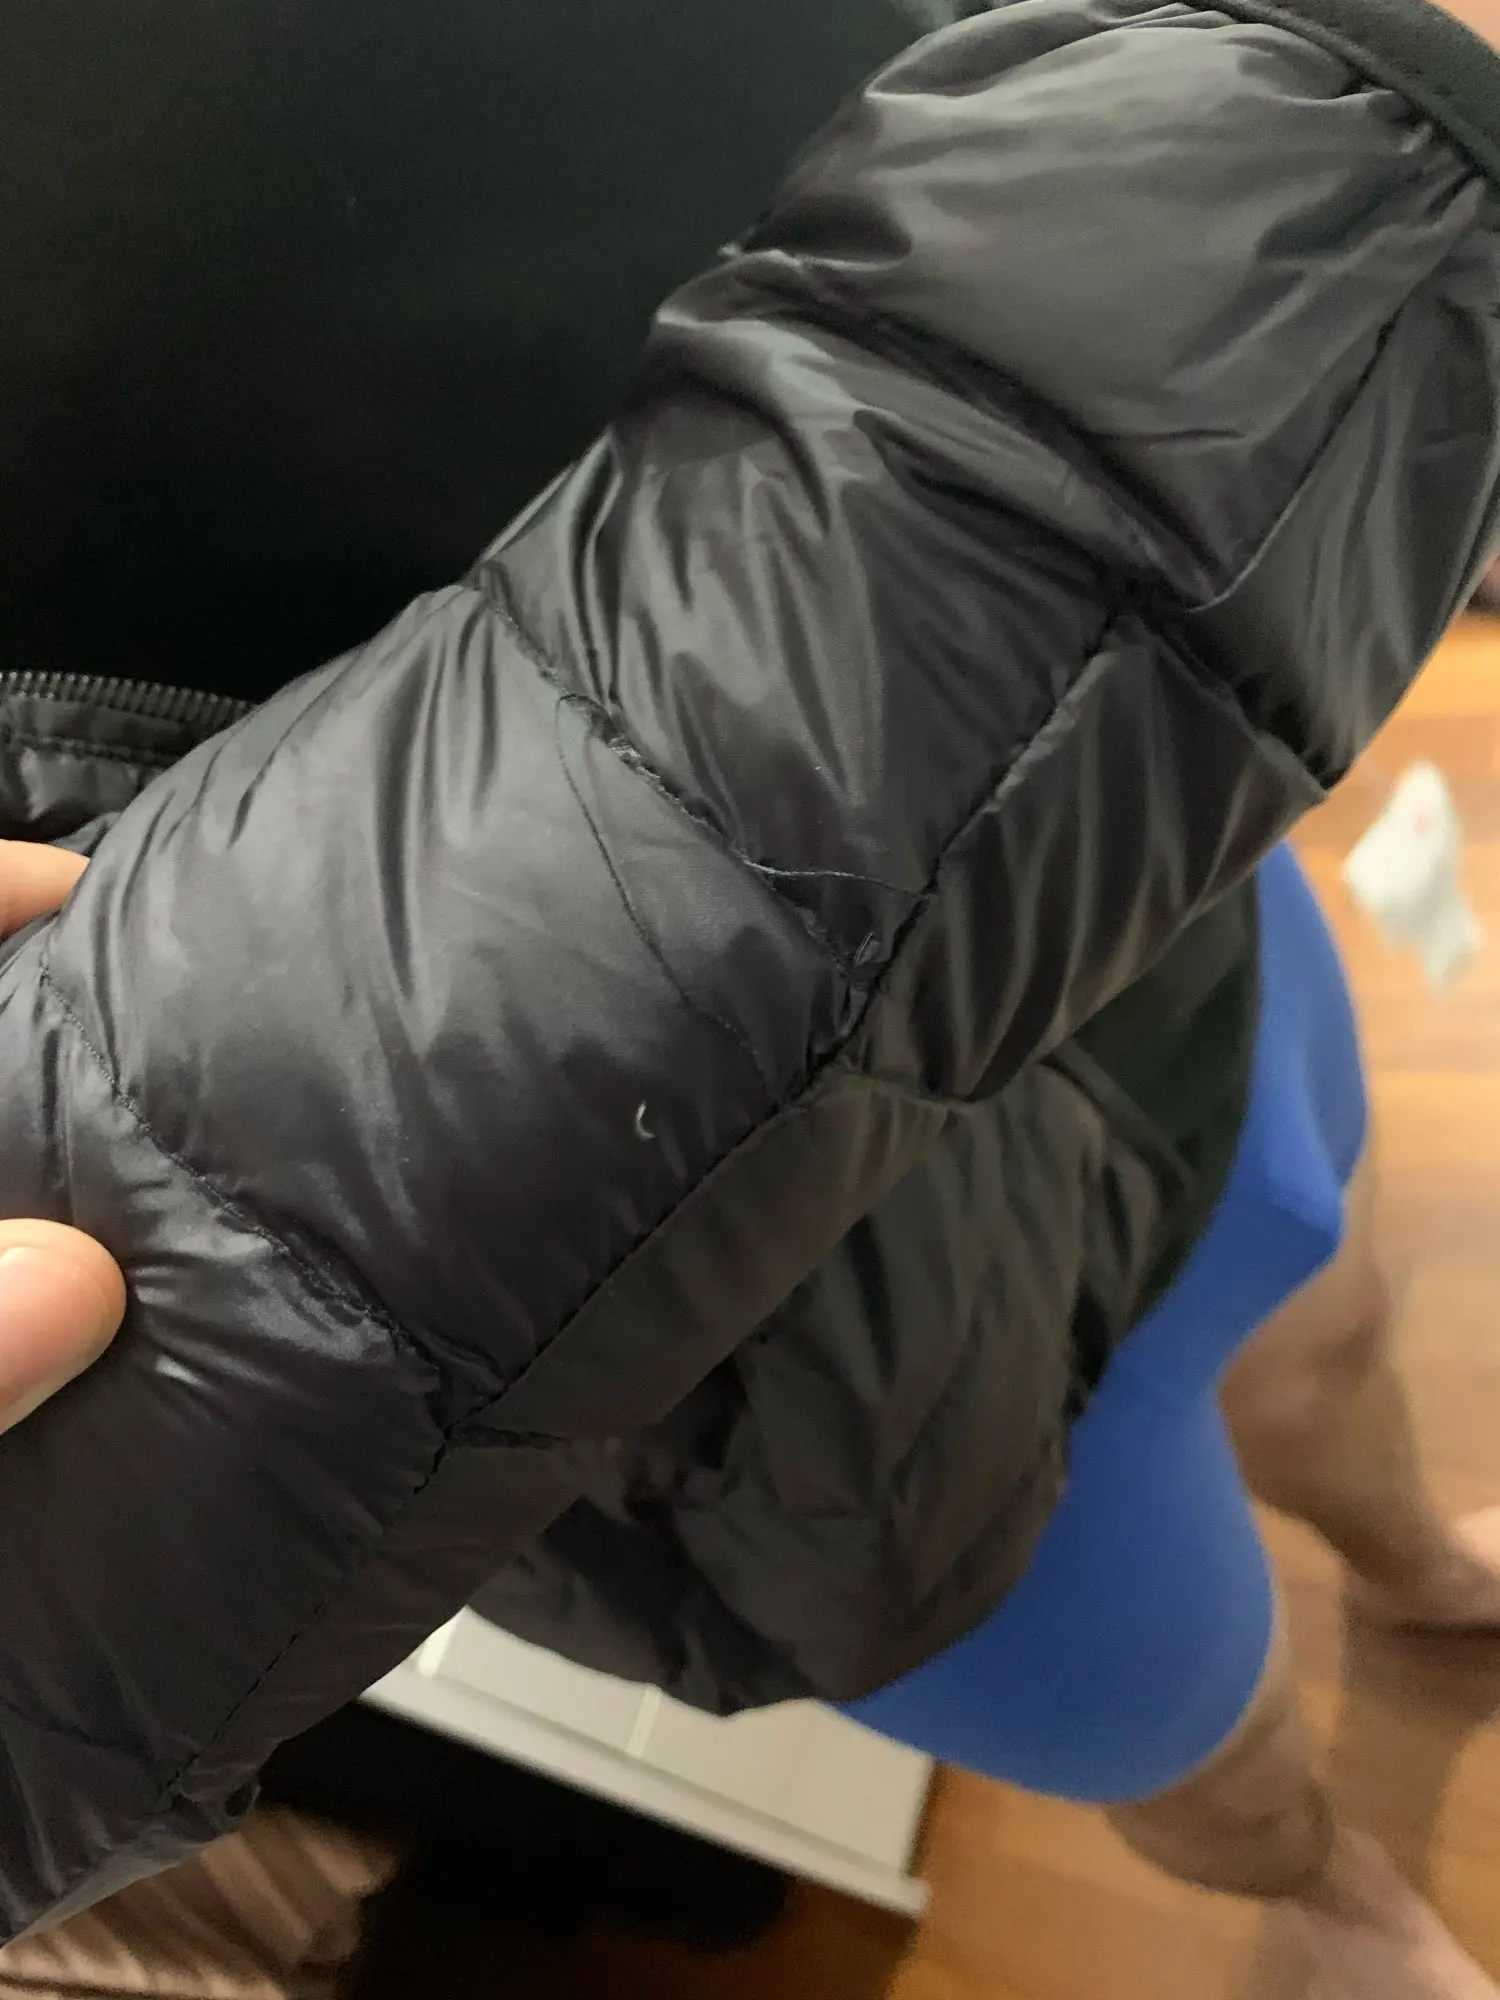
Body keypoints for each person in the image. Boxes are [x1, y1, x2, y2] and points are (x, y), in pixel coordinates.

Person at [3, 2, 1500, 1997]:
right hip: (821, 1371)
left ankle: (1411, 1562)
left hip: (1132, 865)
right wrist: (1347, 133)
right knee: (1200, 1733)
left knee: (1323, 1301)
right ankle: (1332, 1905)